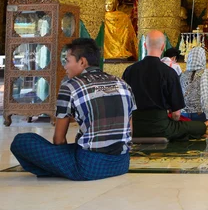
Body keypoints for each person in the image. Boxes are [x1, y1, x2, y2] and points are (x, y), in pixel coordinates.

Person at [10, 38, 135, 180]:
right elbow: (129, 130)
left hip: (89, 167)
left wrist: (59, 159)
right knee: (75, 148)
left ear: (82, 62)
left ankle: (59, 170)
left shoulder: (70, 86)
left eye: (68, 61)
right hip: (122, 164)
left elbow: (59, 140)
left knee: (22, 141)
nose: (65, 66)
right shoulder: (122, 84)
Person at [123, 30, 206, 140]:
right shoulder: (169, 73)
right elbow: (176, 114)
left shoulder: (129, 71)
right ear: (163, 47)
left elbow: (123, 103)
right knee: (200, 127)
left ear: (144, 45)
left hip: (134, 127)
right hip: (161, 128)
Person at [179, 46, 208, 126]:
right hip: (201, 116)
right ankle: (206, 123)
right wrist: (207, 106)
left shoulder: (183, 75)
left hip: (184, 115)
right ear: (202, 59)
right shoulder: (207, 74)